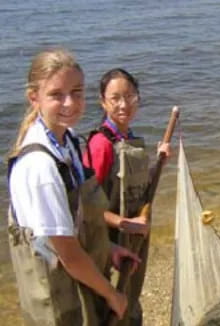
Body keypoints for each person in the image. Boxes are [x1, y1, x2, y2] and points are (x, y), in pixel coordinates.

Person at [7, 48, 140, 325]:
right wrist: (113, 295)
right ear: (35, 98)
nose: (70, 103)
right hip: (59, 293)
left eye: (77, 92)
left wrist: (109, 248)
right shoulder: (40, 167)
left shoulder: (67, 140)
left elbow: (78, 220)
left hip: (81, 277)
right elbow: (67, 254)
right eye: (57, 94)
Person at [83, 68, 171, 325]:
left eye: (130, 96)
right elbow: (85, 207)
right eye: (115, 98)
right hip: (110, 244)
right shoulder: (100, 145)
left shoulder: (129, 138)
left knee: (131, 300)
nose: (124, 104)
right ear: (103, 102)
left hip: (134, 238)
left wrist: (159, 163)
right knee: (114, 308)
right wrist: (124, 223)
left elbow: (138, 188)